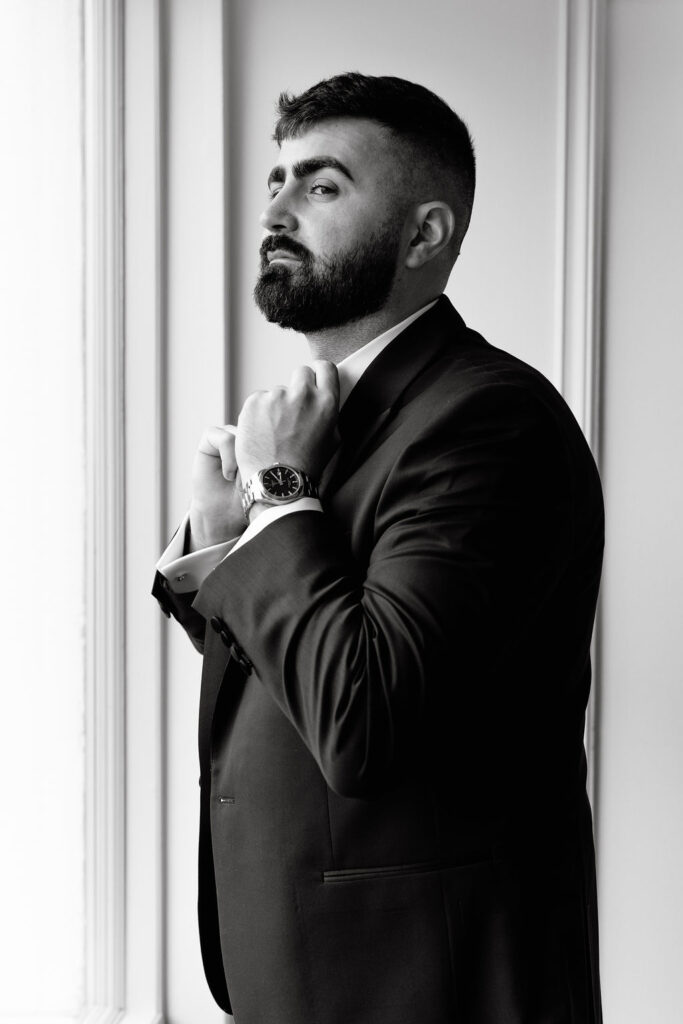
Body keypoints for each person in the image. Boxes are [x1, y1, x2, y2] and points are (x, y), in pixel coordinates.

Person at [153, 72, 604, 1024]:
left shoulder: (487, 422)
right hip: (307, 968)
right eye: (276, 179)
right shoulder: (341, 418)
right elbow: (308, 667)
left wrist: (281, 499)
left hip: (423, 985)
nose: (276, 208)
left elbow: (362, 720)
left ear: (423, 232)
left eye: (320, 186)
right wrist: (221, 547)